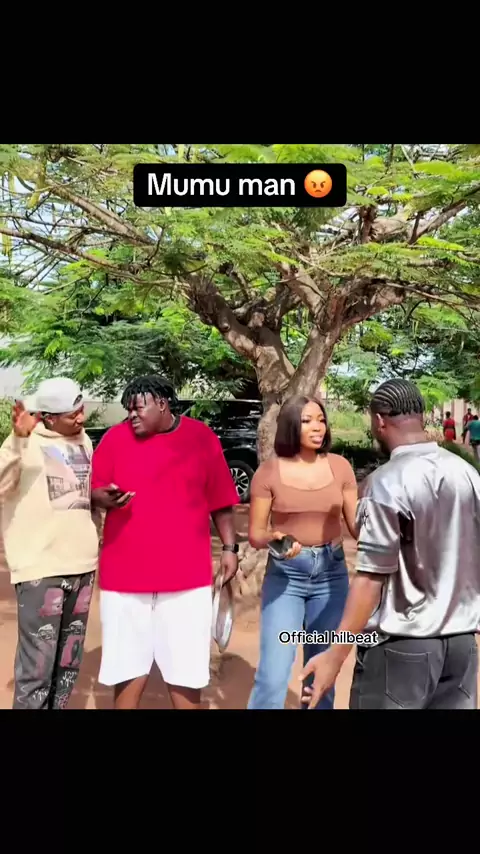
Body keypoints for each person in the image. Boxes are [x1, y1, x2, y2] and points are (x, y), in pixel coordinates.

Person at [300, 379, 480, 710]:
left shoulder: (386, 484)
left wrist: (335, 656)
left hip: (401, 651)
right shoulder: (467, 474)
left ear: (379, 421)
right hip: (462, 648)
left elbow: (370, 580)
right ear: (421, 416)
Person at [91, 375, 240, 710]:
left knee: (186, 669)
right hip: (124, 578)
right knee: (127, 666)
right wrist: (102, 498)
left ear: (162, 404)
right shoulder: (114, 440)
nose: (131, 415)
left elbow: (220, 500)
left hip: (187, 579)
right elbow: (94, 489)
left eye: (138, 408)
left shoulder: (201, 438)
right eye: (128, 409)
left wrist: (230, 548)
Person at [247, 396, 358, 710]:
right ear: (291, 425)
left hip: (332, 576)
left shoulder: (340, 467)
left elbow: (357, 526)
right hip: (286, 578)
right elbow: (256, 534)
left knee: (322, 671)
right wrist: (276, 539)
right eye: (308, 420)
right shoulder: (268, 472)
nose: (317, 427)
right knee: (273, 674)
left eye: (321, 420)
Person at [0, 378, 99, 710]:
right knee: (36, 671)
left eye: (82, 409)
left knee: (67, 668)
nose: (81, 418)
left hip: (82, 567)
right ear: (49, 417)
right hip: (41, 570)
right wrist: (17, 440)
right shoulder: (23, 444)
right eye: (73, 414)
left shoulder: (84, 441)